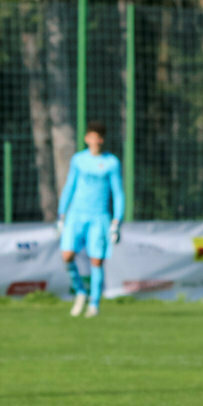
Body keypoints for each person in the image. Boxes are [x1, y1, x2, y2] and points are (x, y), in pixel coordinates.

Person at [57, 120, 125, 318]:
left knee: (96, 260)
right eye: (92, 137)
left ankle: (94, 303)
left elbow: (118, 193)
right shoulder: (79, 160)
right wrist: (62, 215)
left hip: (99, 217)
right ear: (87, 138)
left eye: (99, 137)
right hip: (76, 215)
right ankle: (80, 291)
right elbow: (70, 186)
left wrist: (116, 221)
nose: (96, 141)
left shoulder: (111, 162)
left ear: (102, 140)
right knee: (67, 256)